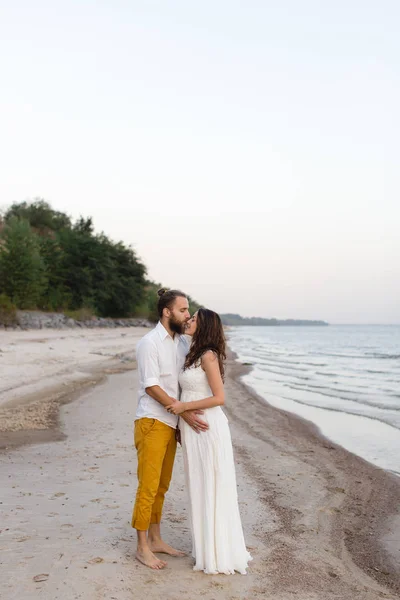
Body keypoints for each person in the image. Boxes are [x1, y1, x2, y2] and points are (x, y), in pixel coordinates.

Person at [166, 308, 252, 575]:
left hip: (208, 427)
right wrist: (183, 416)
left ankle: (218, 552)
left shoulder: (208, 355)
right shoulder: (192, 352)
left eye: (194, 319)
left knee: (212, 484)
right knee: (198, 484)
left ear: (204, 327)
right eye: (189, 317)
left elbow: (219, 398)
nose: (189, 321)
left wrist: (183, 407)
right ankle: (204, 547)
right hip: (192, 428)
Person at [131, 289, 209, 570]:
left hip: (171, 423)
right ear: (167, 312)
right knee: (148, 487)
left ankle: (156, 539)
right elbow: (152, 387)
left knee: (161, 487)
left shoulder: (181, 344)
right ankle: (141, 547)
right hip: (151, 421)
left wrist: (181, 417)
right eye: (183, 310)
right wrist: (184, 412)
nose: (188, 315)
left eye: (188, 310)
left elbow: (182, 383)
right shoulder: (149, 343)